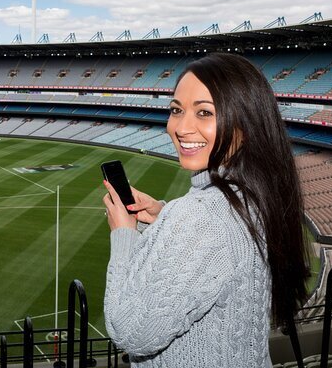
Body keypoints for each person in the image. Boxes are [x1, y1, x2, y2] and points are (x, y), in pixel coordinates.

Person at [102, 52, 309, 367]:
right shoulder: (256, 194)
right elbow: (222, 247)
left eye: (204, 113)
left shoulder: (199, 217)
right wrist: (163, 216)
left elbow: (130, 331)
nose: (182, 127)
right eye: (176, 109)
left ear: (246, 121)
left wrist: (123, 235)